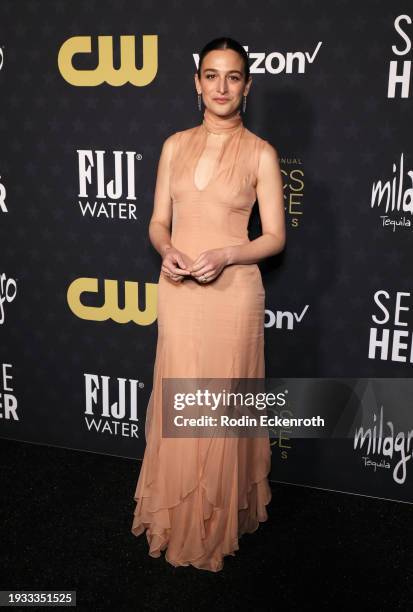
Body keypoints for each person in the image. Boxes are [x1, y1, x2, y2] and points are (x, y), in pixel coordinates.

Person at [131, 36, 286, 572]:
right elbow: (156, 222)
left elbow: (274, 239)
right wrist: (168, 249)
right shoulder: (173, 145)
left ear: (247, 86)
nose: (222, 86)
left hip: (233, 294)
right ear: (197, 83)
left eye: (234, 76)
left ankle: (216, 524)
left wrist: (226, 254)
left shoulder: (261, 153)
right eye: (212, 75)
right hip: (177, 293)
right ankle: (176, 517)